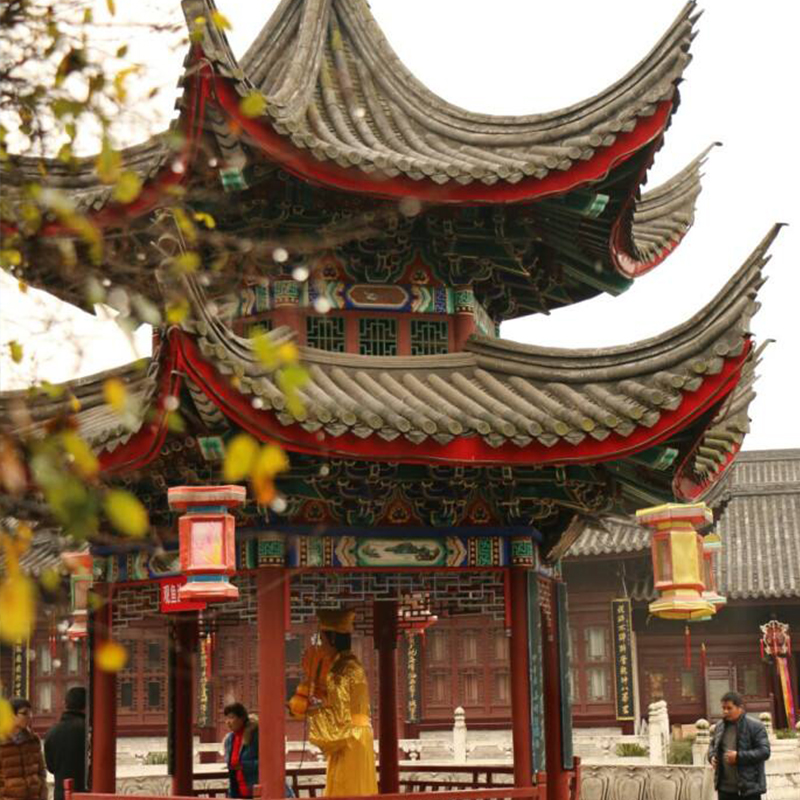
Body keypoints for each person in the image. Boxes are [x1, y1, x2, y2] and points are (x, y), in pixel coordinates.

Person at [306, 609, 378, 797]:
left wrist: (313, 711)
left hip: (348, 739)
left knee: (346, 790)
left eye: (322, 640)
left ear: (332, 639)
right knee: (362, 789)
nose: (321, 645)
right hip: (361, 736)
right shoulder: (354, 665)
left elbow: (338, 719)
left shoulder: (339, 671)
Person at [707, 691, 770, 800]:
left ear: (740, 707)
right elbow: (712, 745)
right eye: (723, 708)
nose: (725, 711)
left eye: (729, 708)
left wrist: (739, 757)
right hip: (724, 790)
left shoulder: (755, 726)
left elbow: (764, 752)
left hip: (748, 790)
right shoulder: (719, 726)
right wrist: (711, 756)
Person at [0, 697, 47, 800]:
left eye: (30, 713)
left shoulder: (33, 740)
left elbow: (41, 771)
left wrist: (43, 793)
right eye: (25, 713)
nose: (29, 717)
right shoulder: (2, 742)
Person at [44, 687, 86, 800]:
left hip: (61, 793)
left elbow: (51, 767)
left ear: (65, 704)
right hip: (87, 793)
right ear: (87, 706)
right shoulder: (90, 730)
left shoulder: (52, 732)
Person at [223, 703, 258, 799]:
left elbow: (267, 763)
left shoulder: (255, 736)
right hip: (237, 791)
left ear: (242, 718)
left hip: (255, 790)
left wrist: (243, 765)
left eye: (231, 718)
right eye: (226, 718)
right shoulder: (230, 739)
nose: (228, 722)